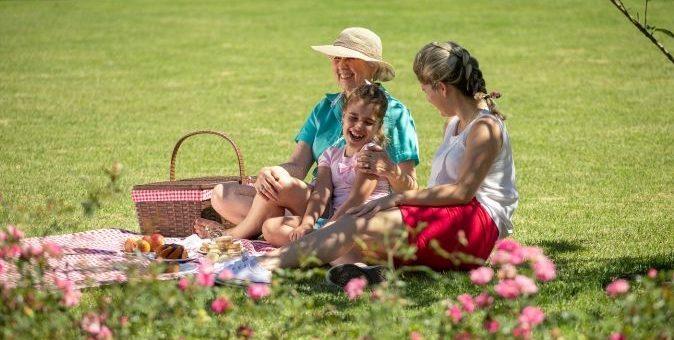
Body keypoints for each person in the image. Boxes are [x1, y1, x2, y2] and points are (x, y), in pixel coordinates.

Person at [219, 41, 519, 285]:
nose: (423, 94)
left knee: (357, 224)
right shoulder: (454, 123)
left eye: (425, 88)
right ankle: (357, 269)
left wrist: (397, 199)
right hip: (449, 215)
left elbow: (463, 193)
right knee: (353, 224)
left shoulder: (485, 128)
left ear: (441, 87)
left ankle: (265, 266)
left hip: (475, 223)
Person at [206, 27, 419, 239]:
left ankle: (238, 234)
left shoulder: (394, 112)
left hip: (364, 210)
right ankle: (288, 226)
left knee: (273, 211)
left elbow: (409, 188)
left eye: (350, 58)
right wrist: (269, 172)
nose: (341, 65)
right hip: (318, 201)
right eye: (336, 58)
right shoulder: (325, 107)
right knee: (222, 195)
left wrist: (389, 170)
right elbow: (298, 165)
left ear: (372, 65)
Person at [262, 83, 392, 247]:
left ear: (377, 127)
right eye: (353, 118)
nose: (358, 126)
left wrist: (328, 228)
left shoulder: (371, 153)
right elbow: (320, 194)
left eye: (368, 122)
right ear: (343, 116)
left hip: (364, 221)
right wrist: (307, 223)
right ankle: (321, 249)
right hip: (337, 220)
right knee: (271, 227)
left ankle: (319, 249)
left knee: (319, 238)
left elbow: (357, 200)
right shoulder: (331, 154)